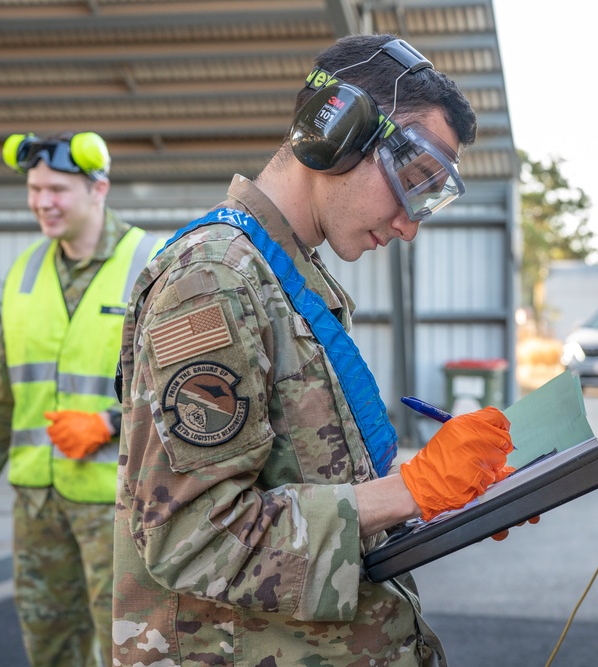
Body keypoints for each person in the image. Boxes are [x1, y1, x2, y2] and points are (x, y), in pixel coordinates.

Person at [113, 34, 516, 666]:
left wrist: (446, 493)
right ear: (335, 133)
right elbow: (190, 535)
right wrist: (411, 490)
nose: (410, 224)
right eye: (411, 180)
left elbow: (305, 479)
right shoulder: (213, 280)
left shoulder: (288, 280)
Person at [0, 131, 164, 666]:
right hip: (37, 505)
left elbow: (185, 389)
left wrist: (111, 424)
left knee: (128, 647)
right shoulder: (23, 274)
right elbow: (1, 395)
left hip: (118, 505)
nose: (42, 202)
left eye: (57, 189)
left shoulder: (151, 263)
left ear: (98, 188)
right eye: (35, 188)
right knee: (49, 645)